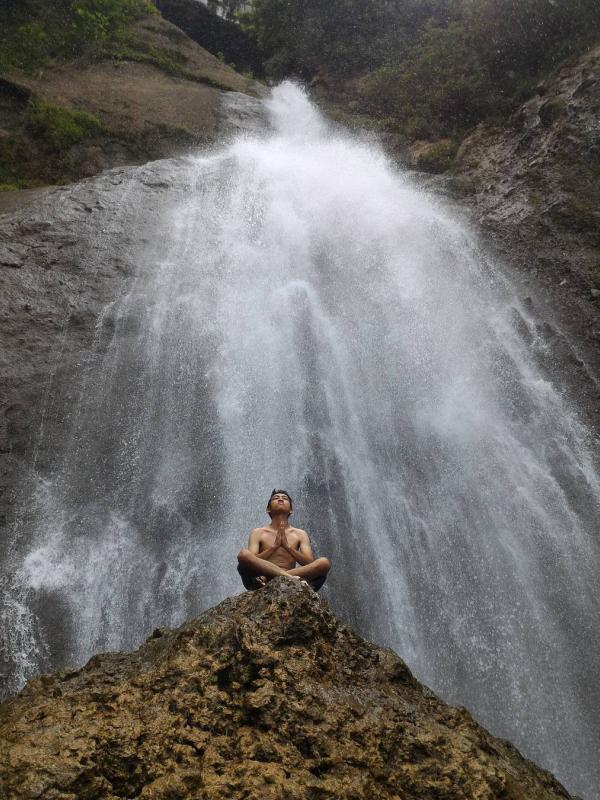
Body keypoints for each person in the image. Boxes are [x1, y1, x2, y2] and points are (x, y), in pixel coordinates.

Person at [237, 489, 331, 592]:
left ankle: (282, 577)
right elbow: (252, 560)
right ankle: (287, 577)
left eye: (284, 498)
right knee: (243, 555)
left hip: (272, 579)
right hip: (263, 579)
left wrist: (288, 547)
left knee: (324, 563)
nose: (280, 499)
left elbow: (309, 562)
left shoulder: (300, 534)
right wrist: (274, 547)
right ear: (268, 509)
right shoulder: (258, 533)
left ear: (291, 510)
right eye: (276, 498)